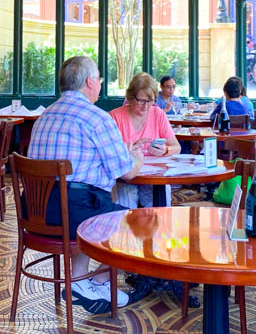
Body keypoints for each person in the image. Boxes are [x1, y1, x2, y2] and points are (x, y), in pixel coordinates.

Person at [28, 56, 143, 311]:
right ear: (90, 82)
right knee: (139, 223)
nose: (100, 85)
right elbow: (126, 173)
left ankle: (80, 282)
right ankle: (99, 280)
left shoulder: (44, 116)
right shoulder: (97, 118)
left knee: (87, 199)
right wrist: (137, 158)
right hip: (74, 213)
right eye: (99, 79)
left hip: (35, 213)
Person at [110, 73, 181, 208]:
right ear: (130, 98)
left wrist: (165, 150)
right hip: (126, 177)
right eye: (141, 101)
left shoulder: (158, 114)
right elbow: (109, 155)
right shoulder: (115, 117)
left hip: (154, 177)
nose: (146, 107)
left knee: (159, 205)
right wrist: (128, 150)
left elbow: (176, 147)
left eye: (150, 101)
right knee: (126, 202)